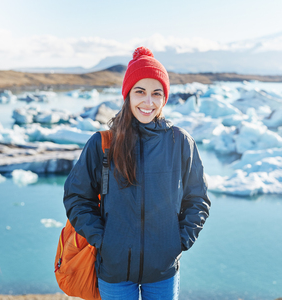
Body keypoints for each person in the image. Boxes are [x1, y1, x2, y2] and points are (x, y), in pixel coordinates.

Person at [63, 46, 211, 300]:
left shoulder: (180, 142)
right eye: (140, 92)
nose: (148, 102)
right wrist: (103, 240)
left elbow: (197, 199)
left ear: (164, 98)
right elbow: (77, 197)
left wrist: (179, 241)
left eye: (156, 93)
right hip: (114, 271)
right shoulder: (102, 144)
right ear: (128, 95)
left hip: (162, 272)